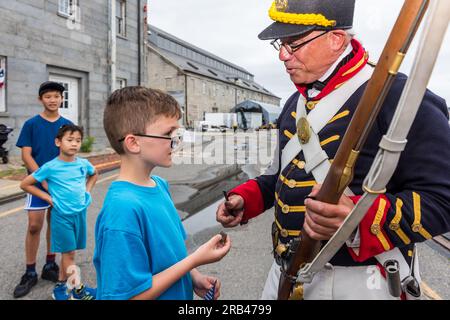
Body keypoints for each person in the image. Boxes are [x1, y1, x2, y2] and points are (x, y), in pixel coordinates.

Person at [216, 0, 450, 299]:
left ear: (336, 39)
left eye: (294, 44)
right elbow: (282, 176)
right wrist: (246, 199)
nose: (283, 56)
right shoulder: (294, 104)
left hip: (362, 280)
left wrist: (357, 218)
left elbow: (442, 200)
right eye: (281, 44)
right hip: (285, 271)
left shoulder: (400, 97)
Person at [93, 86, 231, 300]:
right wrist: (194, 261)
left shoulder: (159, 185)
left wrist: (193, 275)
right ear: (133, 142)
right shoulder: (122, 209)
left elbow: (171, 254)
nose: (175, 142)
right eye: (168, 134)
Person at [20, 124, 98, 300]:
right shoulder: (51, 167)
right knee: (69, 254)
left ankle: (60, 289)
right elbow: (25, 184)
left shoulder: (83, 164)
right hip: (61, 216)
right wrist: (47, 198)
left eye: (78, 140)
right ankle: (78, 290)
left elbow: (94, 174)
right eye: (69, 140)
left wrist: (87, 191)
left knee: (69, 254)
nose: (74, 144)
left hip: (79, 214)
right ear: (58, 142)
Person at [13, 81, 73, 298]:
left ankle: (50, 265)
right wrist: (43, 179)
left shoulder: (67, 125)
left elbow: (70, 153)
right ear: (41, 99)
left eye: (56, 96)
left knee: (54, 224)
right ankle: (30, 272)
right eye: (48, 96)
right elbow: (26, 155)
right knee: (34, 226)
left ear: (61, 99)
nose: (53, 100)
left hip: (60, 185)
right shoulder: (31, 124)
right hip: (38, 183)